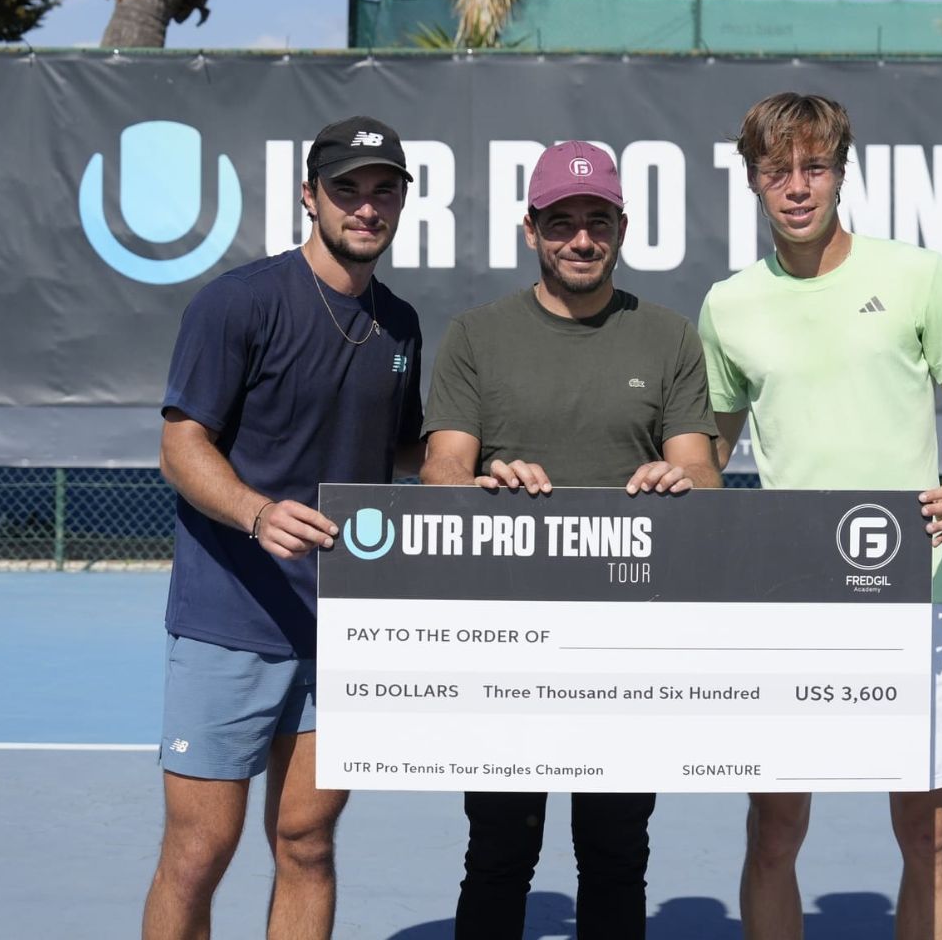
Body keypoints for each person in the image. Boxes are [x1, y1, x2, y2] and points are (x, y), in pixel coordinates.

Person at [697, 93, 942, 940]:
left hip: (912, 593)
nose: (797, 187)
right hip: (788, 603)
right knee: (775, 833)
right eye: (777, 171)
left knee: (927, 833)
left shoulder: (916, 276)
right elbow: (709, 449)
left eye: (814, 167)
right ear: (754, 180)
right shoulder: (728, 305)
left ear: (840, 171)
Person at [420, 141, 722, 939]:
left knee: (617, 854)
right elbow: (442, 465)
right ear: (532, 231)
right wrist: (481, 484)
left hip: (628, 645)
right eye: (561, 223)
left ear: (622, 226)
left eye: (596, 221)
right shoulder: (477, 335)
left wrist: (676, 478)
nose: (580, 239)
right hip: (504, 643)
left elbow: (704, 472)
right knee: (497, 854)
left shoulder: (668, 336)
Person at [142, 116, 425, 940]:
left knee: (307, 843)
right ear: (309, 196)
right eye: (347, 190)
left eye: (383, 192)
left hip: (343, 628)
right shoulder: (237, 303)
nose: (365, 208)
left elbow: (402, 446)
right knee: (199, 852)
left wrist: (477, 463)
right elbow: (180, 443)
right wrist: (257, 513)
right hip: (230, 621)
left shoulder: (400, 324)